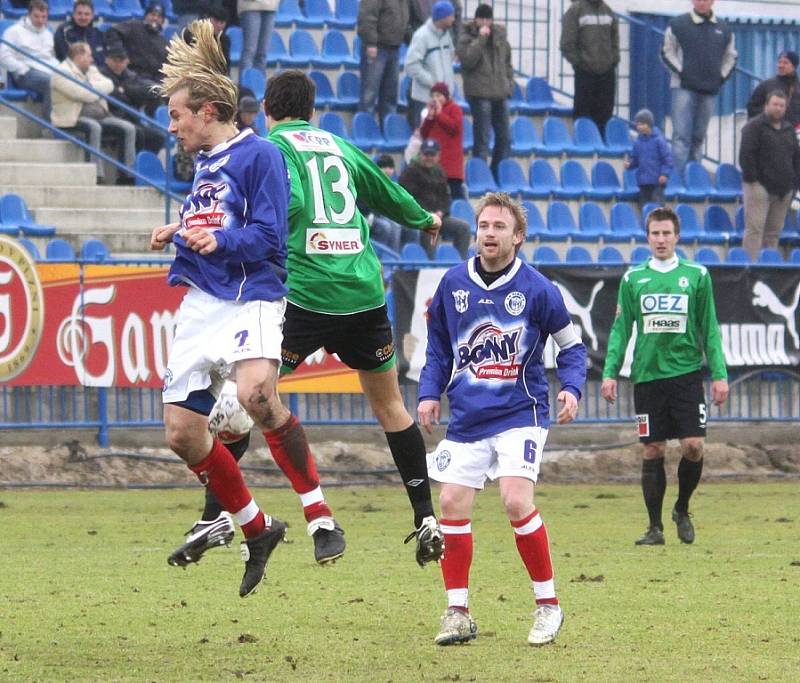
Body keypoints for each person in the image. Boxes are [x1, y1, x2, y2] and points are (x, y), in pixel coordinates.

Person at [263, 69, 445, 566]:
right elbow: (385, 192)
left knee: (253, 393)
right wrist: (425, 218)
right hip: (364, 292)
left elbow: (293, 204)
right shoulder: (336, 144)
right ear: (313, 109)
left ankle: (229, 511)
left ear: (266, 109)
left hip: (309, 295)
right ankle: (425, 516)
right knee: (390, 406)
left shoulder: (274, 147)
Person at [149, 20, 290, 597]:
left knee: (254, 396)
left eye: (178, 115)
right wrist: (180, 230)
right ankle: (257, 528)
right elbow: (212, 222)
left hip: (250, 297)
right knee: (182, 433)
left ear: (207, 110)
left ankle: (320, 511)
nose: (173, 126)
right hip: (202, 301)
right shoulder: (206, 164)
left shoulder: (259, 156)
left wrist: (219, 242)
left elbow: (268, 236)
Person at [418, 192, 587, 646]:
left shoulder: (538, 289)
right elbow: (437, 349)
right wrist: (429, 393)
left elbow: (572, 347)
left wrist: (570, 387)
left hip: (521, 413)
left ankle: (548, 606)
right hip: (468, 417)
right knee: (451, 504)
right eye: (484, 226)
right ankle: (456, 612)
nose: (489, 233)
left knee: (515, 501)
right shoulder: (452, 285)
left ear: (518, 236)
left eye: (499, 227)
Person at [601, 206, 729, 546]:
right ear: (648, 237)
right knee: (653, 449)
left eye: (666, 233)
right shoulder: (633, 279)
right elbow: (619, 330)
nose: (660, 239)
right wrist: (610, 372)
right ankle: (654, 528)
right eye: (655, 233)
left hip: (686, 375)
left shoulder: (697, 275)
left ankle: (682, 508)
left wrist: (719, 374)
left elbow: (709, 328)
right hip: (647, 377)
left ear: (677, 236)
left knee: (693, 447)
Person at [661, 0, 737, 174]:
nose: (702, 2)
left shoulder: (724, 28)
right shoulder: (678, 24)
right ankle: (678, 180)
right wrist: (682, 72)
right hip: (683, 87)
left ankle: (694, 177)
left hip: (709, 90)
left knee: (698, 137)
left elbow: (731, 57)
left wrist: (720, 77)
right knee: (681, 136)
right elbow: (666, 51)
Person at [50, 42, 137, 183]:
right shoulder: (61, 72)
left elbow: (109, 84)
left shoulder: (91, 70)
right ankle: (96, 175)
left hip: (99, 114)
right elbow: (82, 94)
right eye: (89, 55)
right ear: (78, 56)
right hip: (70, 118)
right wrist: (94, 90)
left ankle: (126, 176)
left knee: (127, 128)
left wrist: (90, 87)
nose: (92, 59)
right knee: (93, 127)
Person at [739, 90, 800, 261]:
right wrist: (753, 181)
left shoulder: (788, 130)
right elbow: (746, 156)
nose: (778, 108)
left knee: (773, 234)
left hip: (784, 190)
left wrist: (794, 184)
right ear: (766, 105)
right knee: (755, 230)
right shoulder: (753, 127)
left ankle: (769, 267)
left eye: (781, 105)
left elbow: (796, 157)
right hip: (758, 187)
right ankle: (749, 267)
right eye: (775, 104)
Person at [456, 3, 513, 179]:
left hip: (500, 92)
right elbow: (467, 60)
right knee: (482, 139)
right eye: (482, 19)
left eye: (488, 19)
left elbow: (507, 63)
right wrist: (480, 40)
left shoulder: (500, 37)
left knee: (505, 138)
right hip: (479, 94)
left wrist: (508, 84)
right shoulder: (466, 36)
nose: (486, 22)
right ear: (476, 19)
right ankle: (480, 175)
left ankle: (496, 173)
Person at [398, 138, 471, 258]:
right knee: (430, 228)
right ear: (420, 154)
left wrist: (441, 212)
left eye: (432, 154)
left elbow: (446, 197)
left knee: (464, 228)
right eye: (426, 154)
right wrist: (427, 213)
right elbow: (408, 199)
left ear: (438, 156)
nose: (429, 157)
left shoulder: (439, 171)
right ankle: (431, 266)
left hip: (439, 216)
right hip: (419, 218)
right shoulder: (409, 172)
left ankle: (461, 264)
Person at [560, 0, 619, 135]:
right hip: (585, 73)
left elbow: (614, 39)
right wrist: (579, 64)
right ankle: (584, 141)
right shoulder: (575, 11)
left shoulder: (608, 11)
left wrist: (613, 60)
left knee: (605, 113)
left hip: (607, 72)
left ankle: (603, 146)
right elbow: (567, 44)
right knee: (583, 113)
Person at [98, 44, 166, 153]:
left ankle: (143, 165)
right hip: (113, 116)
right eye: (115, 60)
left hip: (132, 118)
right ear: (107, 60)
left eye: (122, 60)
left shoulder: (131, 75)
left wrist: (126, 90)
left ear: (127, 61)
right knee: (136, 132)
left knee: (158, 137)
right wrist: (130, 94)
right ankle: (127, 169)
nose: (118, 64)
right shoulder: (100, 75)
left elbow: (148, 90)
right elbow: (113, 96)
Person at [0, 0, 58, 115]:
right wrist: (22, 69)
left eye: (44, 17)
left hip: (48, 70)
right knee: (51, 82)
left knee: (69, 81)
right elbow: (3, 57)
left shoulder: (48, 33)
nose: (40, 20)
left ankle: (70, 123)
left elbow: (51, 57)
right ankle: (51, 127)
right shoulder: (13, 31)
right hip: (25, 73)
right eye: (36, 16)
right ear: (28, 14)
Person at [405, 0, 456, 130]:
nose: (453, 19)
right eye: (451, 15)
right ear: (442, 17)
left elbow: (449, 58)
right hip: (425, 99)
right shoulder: (422, 36)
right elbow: (411, 65)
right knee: (424, 140)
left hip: (444, 99)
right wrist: (433, 83)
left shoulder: (446, 36)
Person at [356, 0, 408, 126]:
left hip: (394, 47)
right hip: (378, 47)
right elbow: (367, 17)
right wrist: (371, 42)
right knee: (369, 94)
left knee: (390, 95)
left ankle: (388, 130)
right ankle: (365, 129)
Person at [367, 155, 424, 253]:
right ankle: (393, 260)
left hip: (391, 215)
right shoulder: (369, 183)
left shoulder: (394, 185)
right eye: (383, 167)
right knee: (393, 225)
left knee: (413, 226)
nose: (387, 170)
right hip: (375, 216)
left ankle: (410, 259)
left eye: (390, 167)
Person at [420, 81, 464, 200]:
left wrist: (439, 114)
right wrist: (429, 117)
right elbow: (424, 134)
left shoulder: (454, 109)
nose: (435, 99)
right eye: (433, 96)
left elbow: (454, 128)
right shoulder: (432, 113)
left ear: (446, 96)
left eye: (439, 96)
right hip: (436, 162)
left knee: (456, 195)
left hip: (451, 163)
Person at [105, 2, 169, 85]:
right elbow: (113, 31)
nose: (155, 18)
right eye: (153, 15)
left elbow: (164, 68)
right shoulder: (134, 26)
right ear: (146, 16)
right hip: (130, 75)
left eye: (159, 17)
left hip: (152, 81)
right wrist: (120, 54)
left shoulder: (164, 42)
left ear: (163, 21)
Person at [624, 108, 673, 210]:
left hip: (657, 182)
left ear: (649, 124)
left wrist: (664, 174)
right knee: (644, 208)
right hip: (643, 182)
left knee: (658, 207)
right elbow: (635, 159)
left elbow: (667, 159)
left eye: (642, 124)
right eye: (638, 124)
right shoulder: (638, 142)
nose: (639, 127)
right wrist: (630, 164)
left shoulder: (659, 140)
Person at [746, 51, 800, 130]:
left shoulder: (798, 87)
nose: (780, 65)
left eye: (785, 63)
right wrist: (770, 117)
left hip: (793, 134)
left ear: (794, 66)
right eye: (779, 62)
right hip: (769, 133)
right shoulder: (766, 85)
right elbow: (752, 107)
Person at [238, 0, 277, 80]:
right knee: (249, 51)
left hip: (271, 6)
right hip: (250, 6)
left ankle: (259, 87)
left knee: (262, 54)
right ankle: (246, 87)